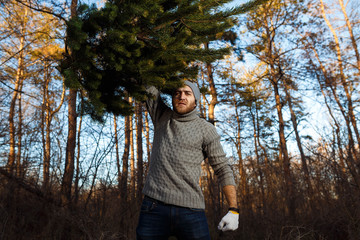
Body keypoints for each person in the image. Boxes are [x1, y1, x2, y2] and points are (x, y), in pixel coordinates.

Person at [136, 81, 239, 240]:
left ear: (196, 100)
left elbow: (223, 168)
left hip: (191, 211)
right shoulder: (161, 115)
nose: (181, 96)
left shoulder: (206, 129)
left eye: (187, 93)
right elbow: (147, 81)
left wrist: (234, 210)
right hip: (154, 207)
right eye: (177, 93)